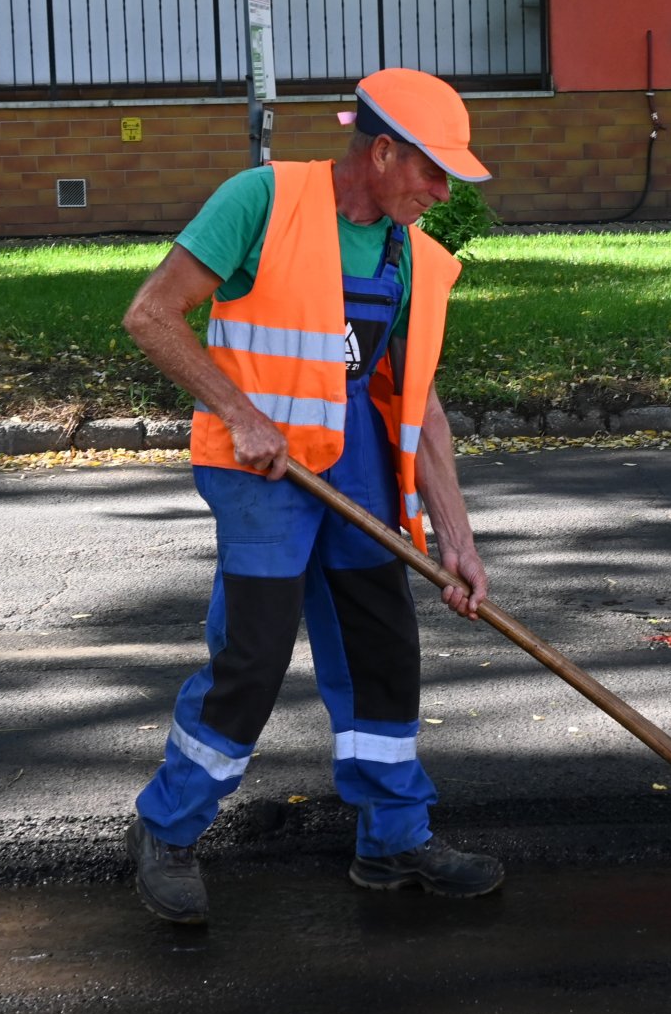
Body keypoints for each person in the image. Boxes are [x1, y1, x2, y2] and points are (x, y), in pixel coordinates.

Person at [120, 67, 501, 925]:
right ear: (383, 151)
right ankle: (167, 827)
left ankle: (393, 837)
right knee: (254, 656)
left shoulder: (407, 254)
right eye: (433, 172)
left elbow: (418, 402)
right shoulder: (262, 200)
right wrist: (239, 414)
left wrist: (458, 539)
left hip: (356, 459)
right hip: (264, 464)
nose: (442, 194)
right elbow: (151, 315)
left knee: (382, 650)